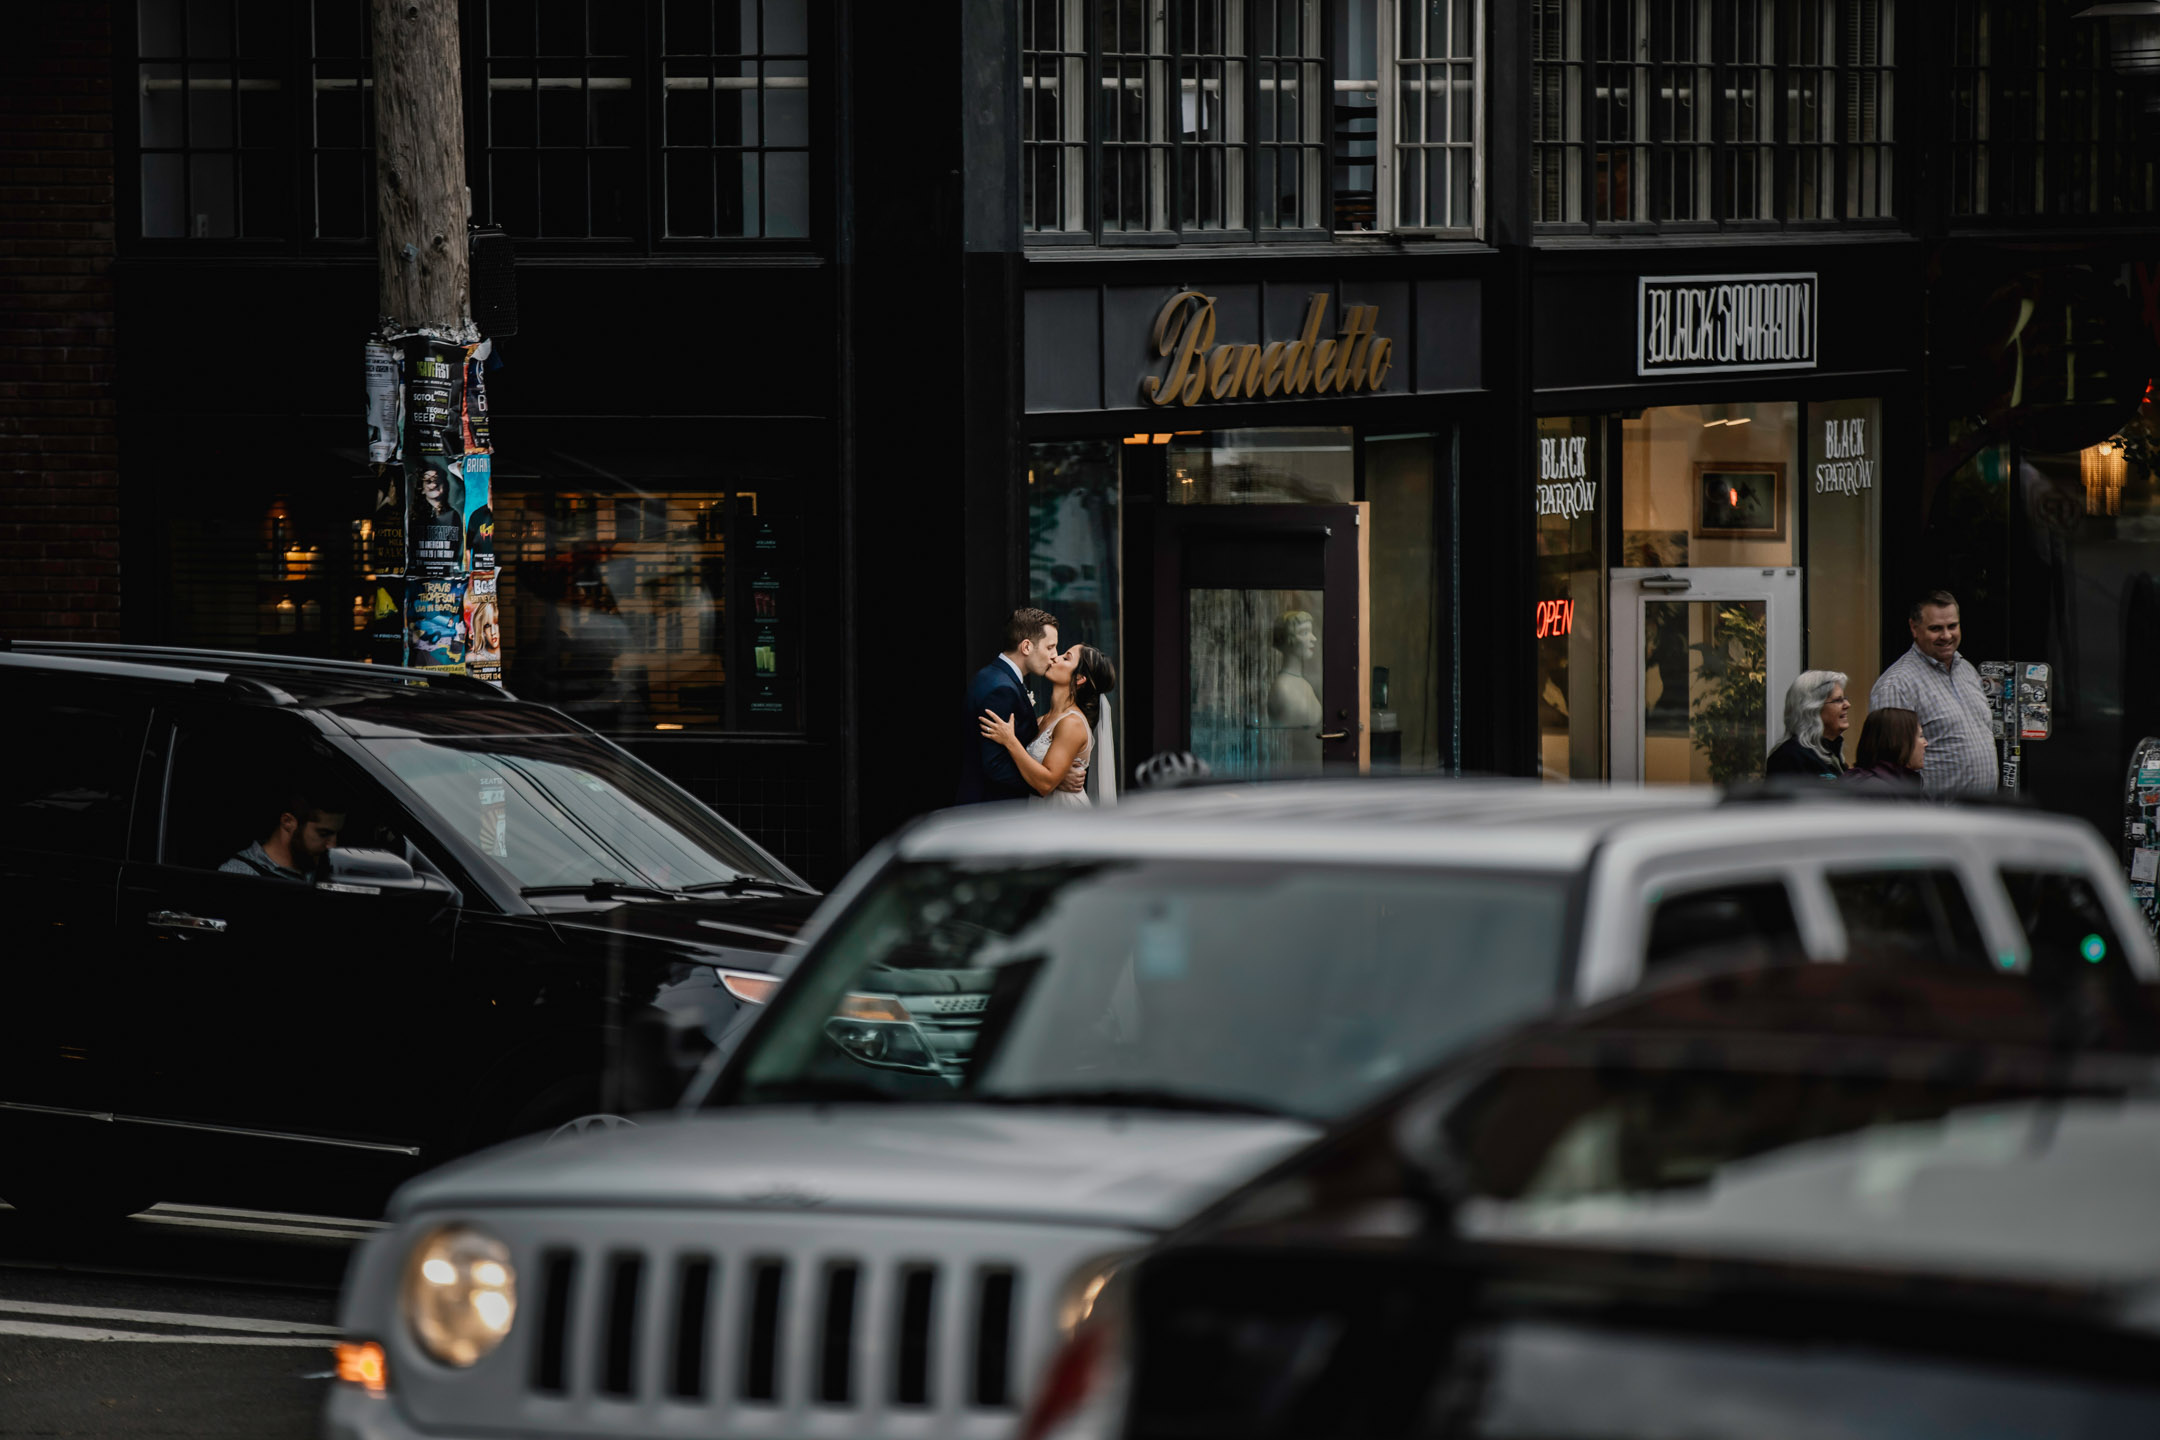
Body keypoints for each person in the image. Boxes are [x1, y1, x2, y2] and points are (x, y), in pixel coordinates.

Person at [1869, 589, 1997, 798]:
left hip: (1980, 816)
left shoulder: (1966, 670)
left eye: (1952, 626)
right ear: (1914, 628)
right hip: (1934, 821)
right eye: (1936, 628)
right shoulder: (1897, 685)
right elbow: (1888, 771)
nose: (1946, 636)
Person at [957, 608, 1082, 805]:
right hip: (991, 810)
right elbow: (996, 766)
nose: (1054, 655)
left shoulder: (993, 676)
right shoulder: (1001, 690)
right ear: (1026, 647)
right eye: (1050, 647)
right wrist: (1053, 781)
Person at [979, 645, 1118, 808]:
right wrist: (1060, 778)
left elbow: (1045, 785)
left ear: (1079, 678)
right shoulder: (1042, 720)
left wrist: (1010, 741)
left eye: (1066, 658)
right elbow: (1038, 771)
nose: (1055, 657)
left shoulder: (1072, 723)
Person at [221, 784, 346, 882]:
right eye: (323, 834)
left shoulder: (322, 870)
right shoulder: (239, 875)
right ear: (288, 822)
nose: (332, 845)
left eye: (336, 834)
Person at [1766, 670, 1851, 779]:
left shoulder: (1832, 754)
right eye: (1838, 700)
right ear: (1813, 709)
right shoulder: (1789, 758)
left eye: (1845, 699)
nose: (1847, 705)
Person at [1843, 707, 1927, 790]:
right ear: (1899, 741)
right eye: (1921, 736)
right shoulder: (1875, 790)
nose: (1926, 743)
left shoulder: (1897, 783)